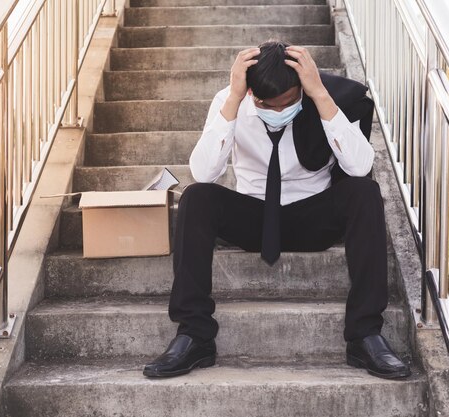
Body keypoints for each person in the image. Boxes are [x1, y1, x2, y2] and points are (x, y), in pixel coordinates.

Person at [142, 40, 411, 380]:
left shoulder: (325, 98)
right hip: (253, 216)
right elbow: (204, 172)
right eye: (266, 104)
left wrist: (319, 95)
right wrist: (235, 100)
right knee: (196, 197)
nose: (277, 109)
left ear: (301, 86)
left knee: (364, 191)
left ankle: (365, 336)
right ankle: (194, 336)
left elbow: (359, 166)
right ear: (252, 92)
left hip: (312, 216)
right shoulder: (231, 101)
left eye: (287, 102)